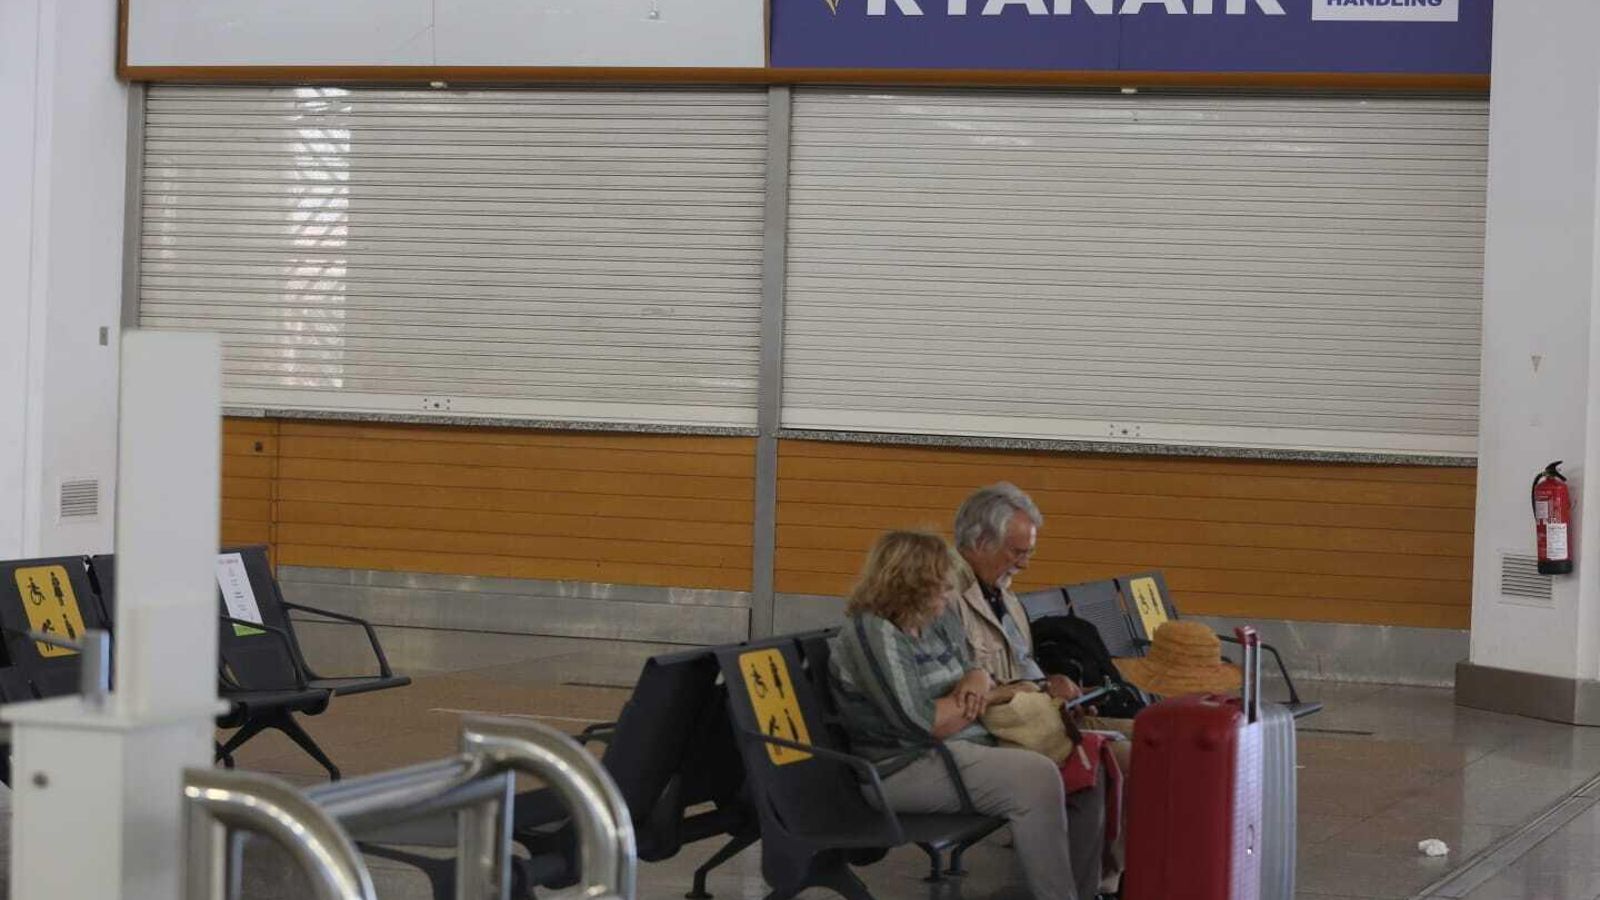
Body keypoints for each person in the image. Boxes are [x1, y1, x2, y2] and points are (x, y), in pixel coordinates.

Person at [828, 530, 1106, 900]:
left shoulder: (935, 621)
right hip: (902, 767)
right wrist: (983, 697)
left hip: (962, 745)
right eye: (942, 588)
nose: (949, 596)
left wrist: (977, 681)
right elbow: (923, 724)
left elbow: (973, 671)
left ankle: (1077, 892)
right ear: (910, 585)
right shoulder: (872, 633)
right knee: (1036, 779)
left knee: (1085, 764)